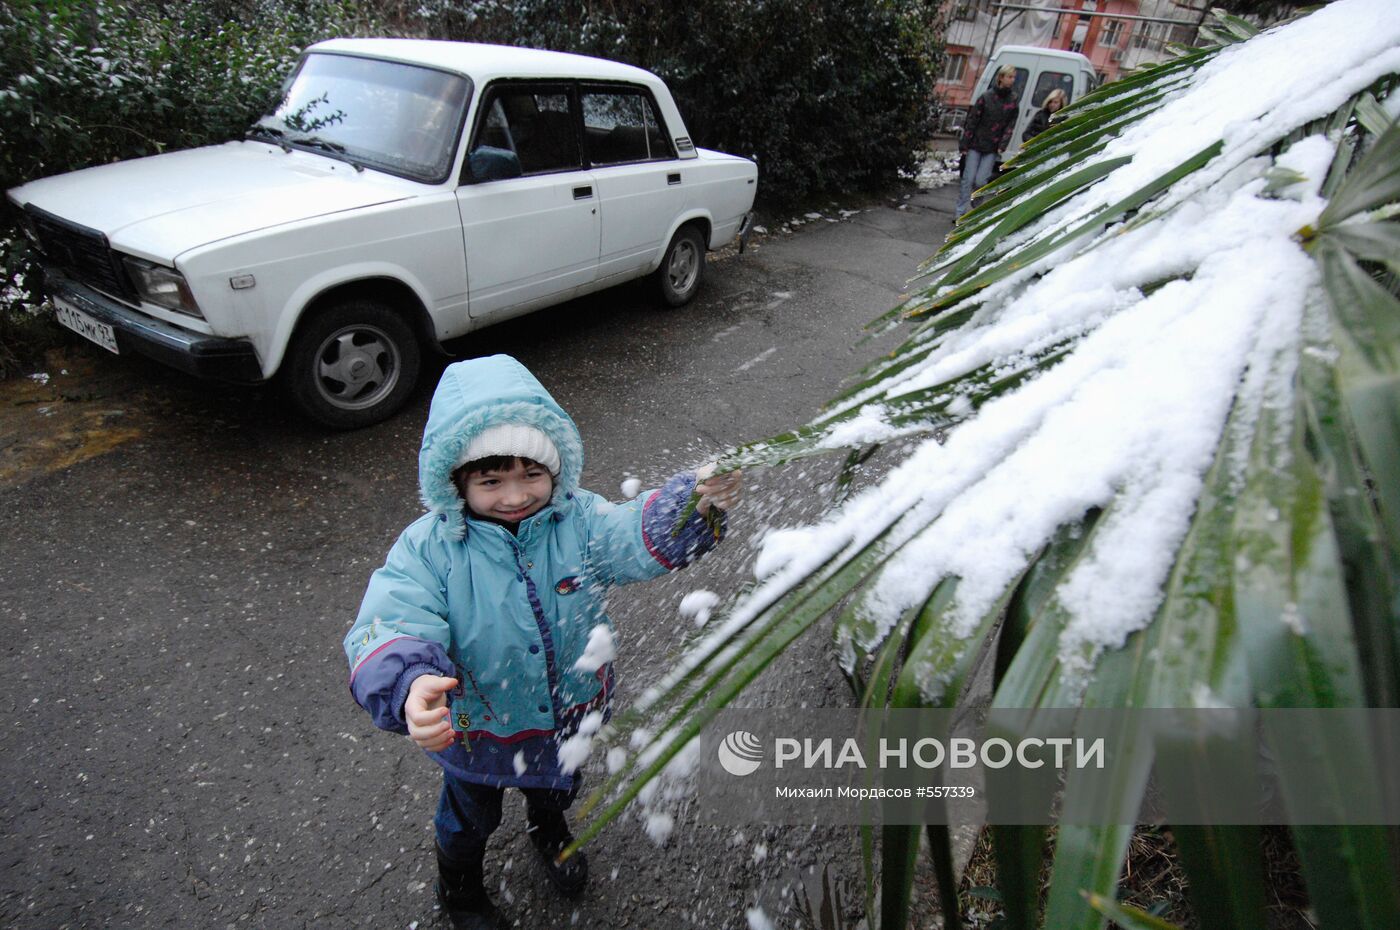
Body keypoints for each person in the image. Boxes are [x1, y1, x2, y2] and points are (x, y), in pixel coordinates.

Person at [343, 355, 742, 930]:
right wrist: (408, 682)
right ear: (456, 481)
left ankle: (548, 828)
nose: (514, 496)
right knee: (468, 817)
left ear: (556, 467)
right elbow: (392, 615)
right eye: (490, 480)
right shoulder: (431, 549)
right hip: (478, 721)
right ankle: (460, 889)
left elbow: (631, 535)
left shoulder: (577, 521)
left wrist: (693, 505)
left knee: (555, 785)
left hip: (565, 707)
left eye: (531, 474)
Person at [956, 64, 1021, 218]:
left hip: (993, 146)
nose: (1012, 80)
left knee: (981, 181)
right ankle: (960, 212)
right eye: (1009, 77)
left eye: (1013, 77)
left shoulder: (1013, 100)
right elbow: (972, 120)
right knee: (968, 178)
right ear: (1001, 77)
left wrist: (1003, 145)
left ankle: (975, 211)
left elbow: (1010, 125)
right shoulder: (986, 97)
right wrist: (965, 143)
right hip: (976, 143)